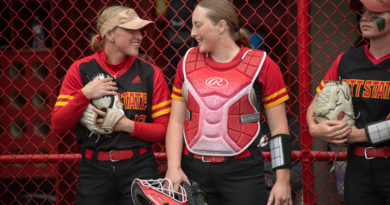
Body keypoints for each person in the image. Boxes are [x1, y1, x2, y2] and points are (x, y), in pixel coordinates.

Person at [164, 0, 293, 204]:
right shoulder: (187, 62)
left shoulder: (263, 64)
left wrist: (282, 180)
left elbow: (279, 129)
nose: (191, 33)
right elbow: (176, 122)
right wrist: (173, 167)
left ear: (221, 26)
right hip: (194, 170)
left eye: (198, 25)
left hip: (243, 172)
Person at [51, 6, 171, 205]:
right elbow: (58, 124)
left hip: (139, 166)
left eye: (140, 31)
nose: (139, 36)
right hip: (94, 167)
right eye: (131, 30)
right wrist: (85, 94)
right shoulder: (81, 69)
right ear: (109, 34)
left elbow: (163, 131)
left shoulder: (151, 72)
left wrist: (125, 125)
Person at [306, 0, 390, 204]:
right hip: (358, 164)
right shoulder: (346, 60)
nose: (366, 18)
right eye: (363, 11)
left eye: (375, 12)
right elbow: (314, 108)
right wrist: (315, 129)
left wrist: (359, 134)